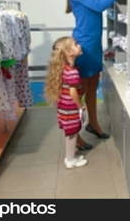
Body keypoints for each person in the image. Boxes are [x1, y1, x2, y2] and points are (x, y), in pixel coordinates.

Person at [66, 0, 127, 144]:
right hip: (82, 47)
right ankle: (75, 136)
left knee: (93, 88)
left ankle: (93, 124)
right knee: (80, 93)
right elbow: (100, 6)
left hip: (94, 46)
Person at [44, 37, 88, 169]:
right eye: (76, 44)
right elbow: (73, 92)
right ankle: (70, 159)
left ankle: (71, 155)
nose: (79, 45)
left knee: (70, 133)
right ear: (69, 52)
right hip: (71, 108)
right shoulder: (73, 72)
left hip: (63, 107)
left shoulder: (64, 69)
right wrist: (80, 106)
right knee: (72, 134)